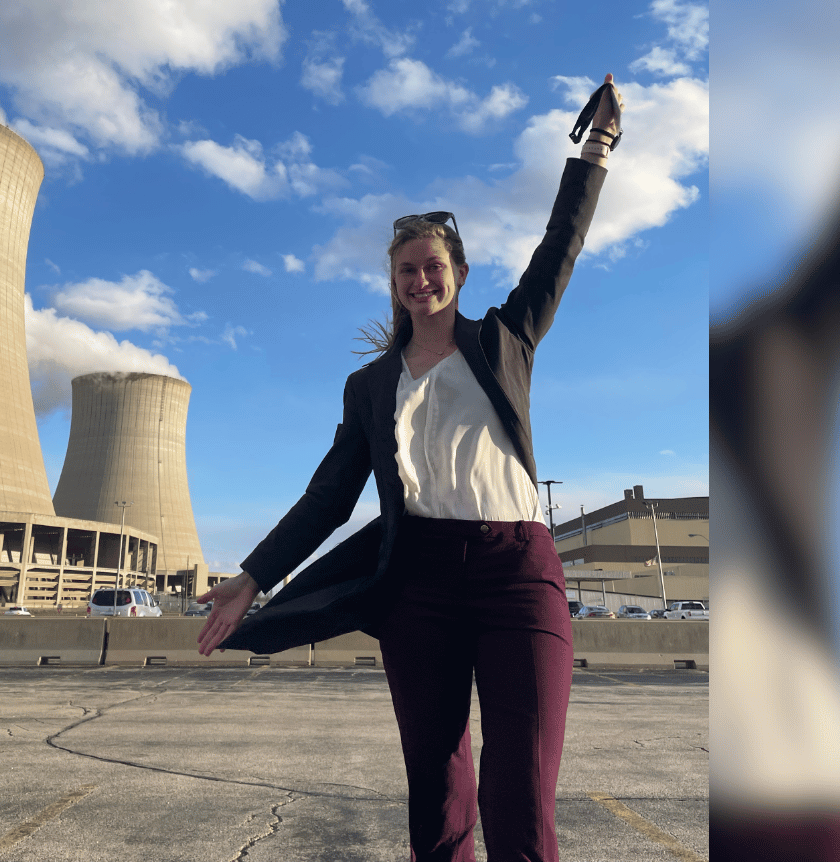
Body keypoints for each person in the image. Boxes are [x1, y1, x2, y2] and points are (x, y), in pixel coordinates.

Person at [195, 74, 623, 862]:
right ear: (392, 286)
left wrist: (595, 148)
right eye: (406, 273)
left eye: (433, 267)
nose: (421, 281)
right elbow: (329, 496)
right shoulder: (369, 388)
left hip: (516, 568)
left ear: (457, 273)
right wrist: (253, 575)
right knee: (437, 783)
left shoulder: (504, 340)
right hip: (417, 580)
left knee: (521, 786)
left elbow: (559, 246)